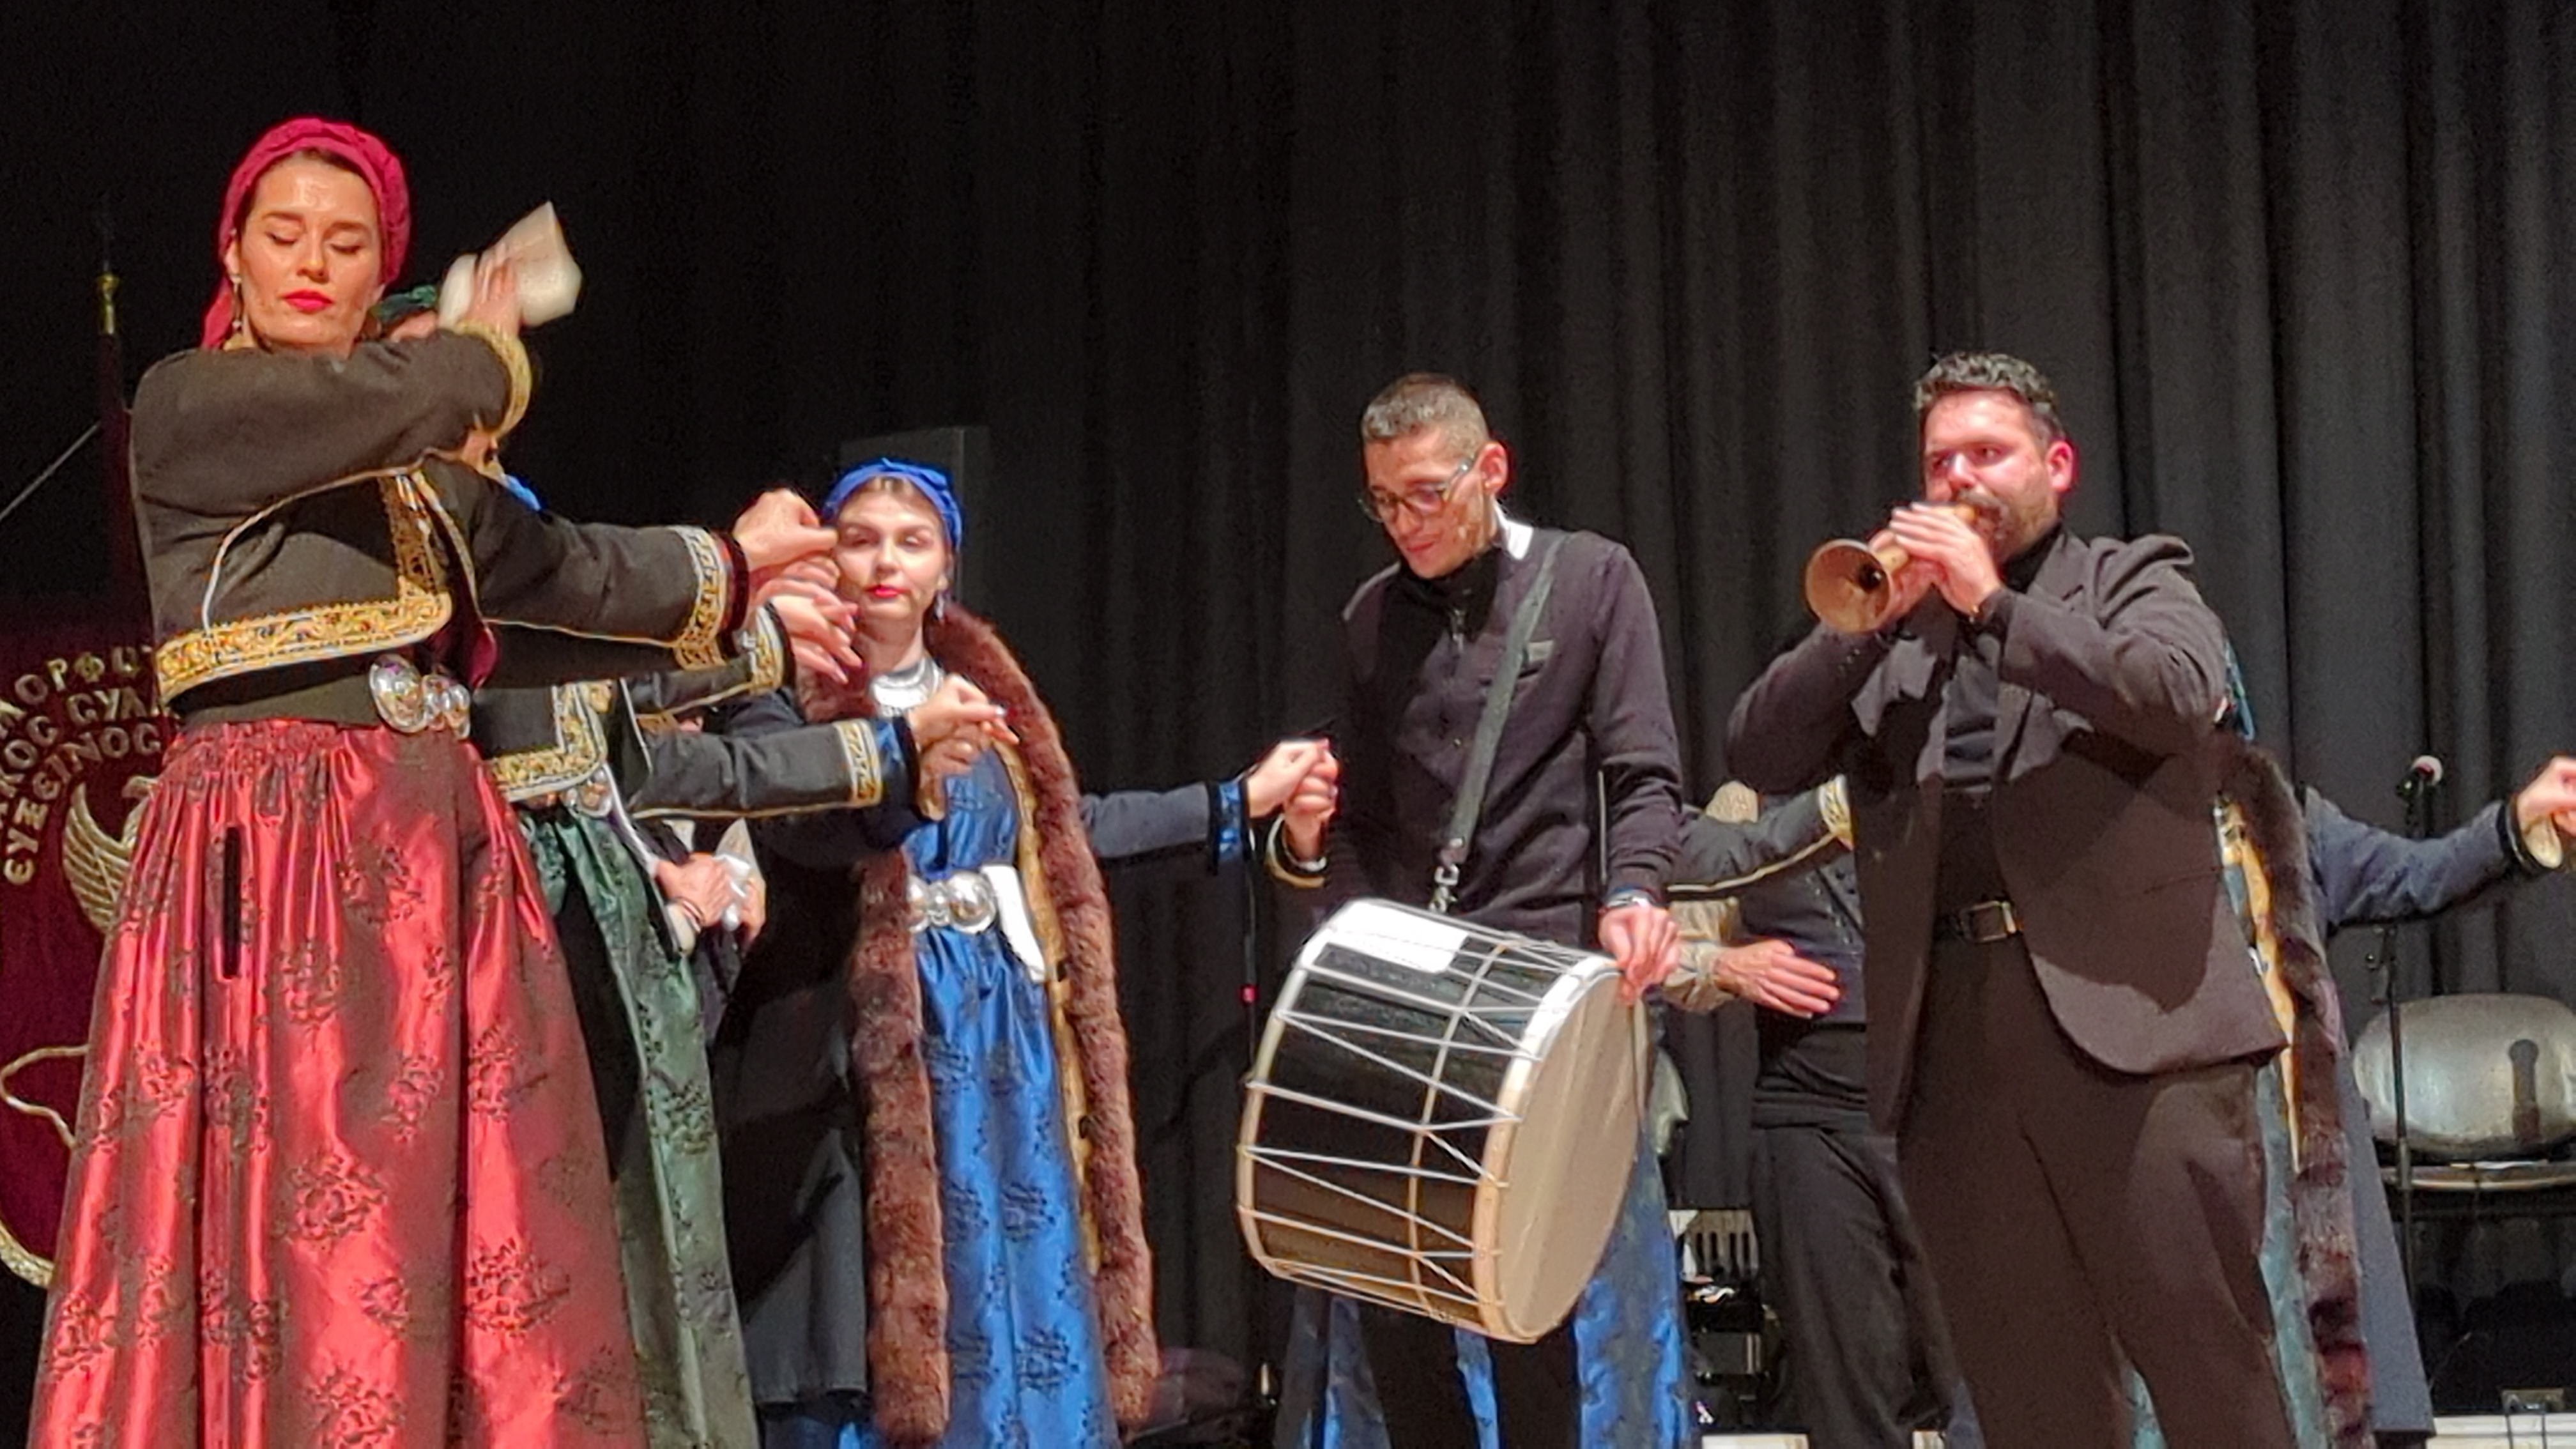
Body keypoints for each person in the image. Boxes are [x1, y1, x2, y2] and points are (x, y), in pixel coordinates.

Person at [30, 117, 845, 1444]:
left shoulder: (414, 478)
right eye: (284, 236)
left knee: (461, 1215)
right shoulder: (192, 408)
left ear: (377, 270)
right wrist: (481, 345)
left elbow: (563, 582)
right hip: (277, 848)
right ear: (232, 256)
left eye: (346, 244)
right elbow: (412, 394)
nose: (312, 264)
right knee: (308, 1200)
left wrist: (739, 571)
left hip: (427, 851)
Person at [1724, 351, 2296, 1448]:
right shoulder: (1891, 629)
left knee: (2208, 1368)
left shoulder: (2131, 577)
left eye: (1987, 454)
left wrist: (1992, 606)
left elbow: (2179, 695)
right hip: (1955, 1049)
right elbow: (1759, 750)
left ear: (2056, 465)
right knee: (2031, 1392)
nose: (1960, 480)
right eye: (1940, 463)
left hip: (2137, 1034)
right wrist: (1863, 627)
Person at [705, 459, 1328, 1448]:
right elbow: (800, 827)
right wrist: (903, 763)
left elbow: (1068, 835)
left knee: (1015, 1280)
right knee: (884, 1313)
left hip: (999, 1034)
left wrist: (1233, 803)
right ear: (828, 555)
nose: (885, 562)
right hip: (864, 1043)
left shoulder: (987, 700)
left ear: (945, 567)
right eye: (862, 539)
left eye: (912, 543)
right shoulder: (788, 688)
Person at [1268, 374, 1692, 1449]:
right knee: (1397, 1291)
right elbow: (1361, 820)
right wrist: (1345, 952)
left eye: (1426, 494)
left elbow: (1644, 772)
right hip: (1412, 989)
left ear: (1488, 468)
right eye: (1383, 502)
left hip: (1544, 983)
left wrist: (1636, 890)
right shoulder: (1371, 616)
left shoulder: (1592, 579)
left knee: (1529, 1303)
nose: (1405, 523)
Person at [471, 602, 1004, 1449]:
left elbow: (674, 751)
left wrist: (891, 751)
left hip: (641, 992)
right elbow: (715, 768)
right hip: (533, 972)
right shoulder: (514, 664)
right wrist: (763, 649)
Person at [1663, 779, 1983, 1449]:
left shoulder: (1939, 775)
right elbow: (1665, 946)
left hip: (1947, 1106)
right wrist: (1722, 965)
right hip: (1807, 1117)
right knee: (1847, 1390)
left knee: (1986, 1379)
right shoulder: (1747, 805)